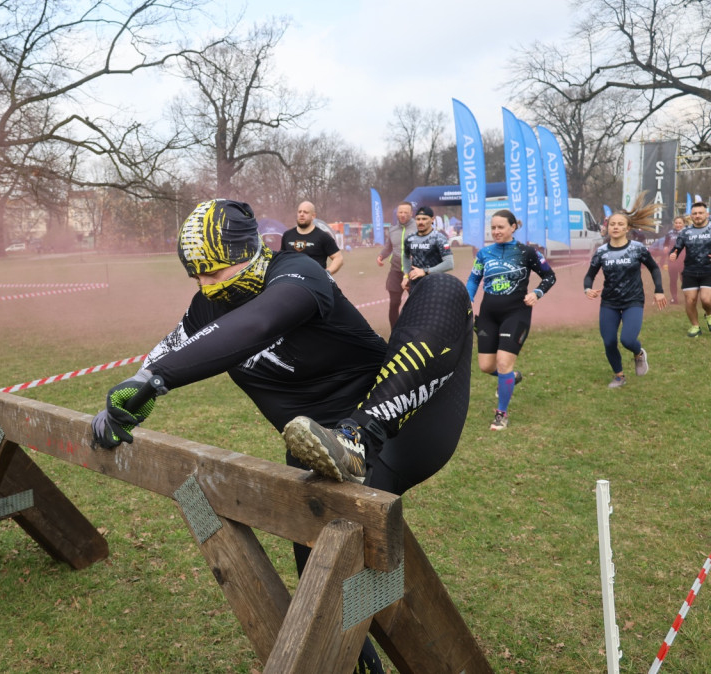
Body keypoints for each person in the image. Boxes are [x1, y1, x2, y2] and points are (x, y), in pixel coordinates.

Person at [92, 199, 474, 674]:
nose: (206, 287)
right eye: (197, 277)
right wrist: (123, 401)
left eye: (214, 273)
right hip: (320, 458)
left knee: (441, 289)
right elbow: (172, 348)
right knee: (328, 602)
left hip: (407, 420)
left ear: (248, 251)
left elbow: (258, 322)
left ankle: (358, 435)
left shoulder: (296, 272)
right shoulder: (207, 304)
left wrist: (159, 378)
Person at [466, 209, 556, 430]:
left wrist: (536, 293)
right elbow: (473, 280)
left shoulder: (527, 252)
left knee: (503, 362)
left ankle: (501, 413)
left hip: (516, 313)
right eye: (493, 228)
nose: (496, 231)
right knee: (486, 366)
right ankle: (510, 377)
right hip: (488, 314)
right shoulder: (484, 253)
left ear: (513, 227)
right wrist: (467, 301)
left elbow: (549, 275)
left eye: (500, 227)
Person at [584, 201, 667, 388]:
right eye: (612, 224)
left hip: (633, 301)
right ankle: (619, 376)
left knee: (628, 340)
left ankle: (638, 353)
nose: (616, 227)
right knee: (609, 341)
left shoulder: (637, 248)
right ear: (607, 227)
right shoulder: (602, 252)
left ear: (628, 228)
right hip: (609, 303)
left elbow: (654, 268)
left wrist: (659, 290)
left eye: (620, 224)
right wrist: (587, 289)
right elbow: (590, 275)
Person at [668, 201, 711, 337]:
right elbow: (677, 247)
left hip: (708, 270)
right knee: (690, 300)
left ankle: (709, 315)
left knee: (706, 300)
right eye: (694, 213)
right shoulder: (685, 232)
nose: (697, 216)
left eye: (700, 213)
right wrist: (674, 253)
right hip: (690, 271)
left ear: (707, 214)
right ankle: (695, 326)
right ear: (691, 216)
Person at [376, 201, 414, 328]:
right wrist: (381, 256)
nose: (403, 215)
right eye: (400, 212)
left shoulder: (417, 228)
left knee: (416, 303)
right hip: (396, 271)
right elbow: (389, 246)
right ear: (397, 213)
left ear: (411, 214)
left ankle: (417, 330)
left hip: (414, 272)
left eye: (406, 212)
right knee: (394, 303)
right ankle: (395, 333)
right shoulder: (393, 229)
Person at [280, 201, 343, 275]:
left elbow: (338, 258)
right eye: (299, 212)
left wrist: (327, 272)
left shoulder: (323, 236)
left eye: (305, 212)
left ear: (313, 216)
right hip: (291, 281)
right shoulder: (287, 235)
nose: (301, 214)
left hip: (314, 282)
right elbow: (281, 258)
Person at [401, 206, 453, 291]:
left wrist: (425, 271)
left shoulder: (439, 238)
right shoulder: (410, 238)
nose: (420, 222)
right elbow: (406, 256)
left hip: (435, 285)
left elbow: (449, 264)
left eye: (424, 219)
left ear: (432, 219)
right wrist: (406, 275)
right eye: (418, 219)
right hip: (415, 286)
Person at [661, 216, 687, 304]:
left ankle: (689, 297)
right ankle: (674, 298)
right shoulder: (670, 233)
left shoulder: (687, 232)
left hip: (684, 260)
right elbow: (665, 244)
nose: (678, 225)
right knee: (673, 280)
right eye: (676, 223)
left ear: (684, 223)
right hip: (672, 260)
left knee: (685, 279)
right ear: (674, 224)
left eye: (680, 223)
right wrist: (665, 247)